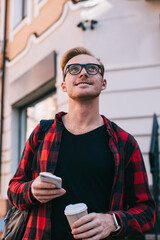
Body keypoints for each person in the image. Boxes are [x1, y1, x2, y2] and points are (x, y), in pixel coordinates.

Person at [7, 47, 155, 240]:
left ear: (103, 83)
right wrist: (31, 191)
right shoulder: (42, 132)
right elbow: (13, 190)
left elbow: (147, 211)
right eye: (74, 69)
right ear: (63, 85)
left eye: (92, 68)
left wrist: (113, 221)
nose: (83, 72)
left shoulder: (125, 142)